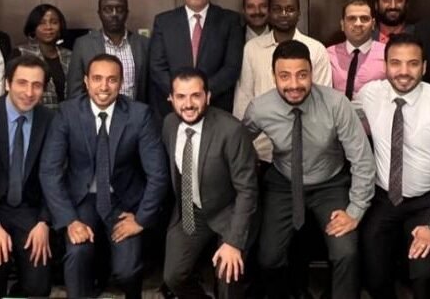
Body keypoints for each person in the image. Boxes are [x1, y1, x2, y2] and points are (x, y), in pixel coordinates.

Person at [243, 40, 375, 299]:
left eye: (302, 75)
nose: (294, 84)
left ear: (312, 73)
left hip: (330, 184)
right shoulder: (260, 108)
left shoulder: (336, 104)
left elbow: (362, 159)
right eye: (285, 76)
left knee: (346, 252)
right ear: (274, 76)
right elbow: (236, 144)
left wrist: (355, 210)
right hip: (283, 183)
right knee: (268, 257)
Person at [40, 53, 168, 299]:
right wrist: (69, 220)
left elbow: (158, 174)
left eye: (112, 79)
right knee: (77, 254)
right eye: (97, 78)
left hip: (123, 201)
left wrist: (141, 219)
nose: (104, 86)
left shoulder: (139, 114)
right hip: (82, 200)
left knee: (127, 270)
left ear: (121, 83)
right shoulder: (67, 112)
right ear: (86, 81)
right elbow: (49, 170)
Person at [162, 67, 258, 299]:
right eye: (181, 96)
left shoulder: (232, 131)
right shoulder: (169, 125)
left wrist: (233, 242)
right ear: (171, 99)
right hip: (191, 211)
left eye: (196, 95)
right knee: (173, 277)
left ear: (208, 96)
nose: (188, 104)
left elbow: (247, 191)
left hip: (229, 212)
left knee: (228, 280)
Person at [358, 33, 430, 299]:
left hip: (427, 202)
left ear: (424, 67)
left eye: (412, 63)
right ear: (385, 65)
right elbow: (341, 117)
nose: (403, 72)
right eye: (396, 63)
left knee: (424, 276)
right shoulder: (370, 94)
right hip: (384, 199)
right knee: (373, 274)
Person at [0, 55, 54, 298]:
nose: (29, 92)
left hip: (29, 211)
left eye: (37, 85)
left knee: (39, 287)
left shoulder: (50, 120)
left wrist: (44, 222)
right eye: (22, 83)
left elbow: (56, 176)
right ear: (7, 83)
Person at [234, 0, 332, 163]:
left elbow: (322, 100)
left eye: (290, 9)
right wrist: (243, 143)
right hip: (262, 147)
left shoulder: (316, 49)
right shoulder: (252, 48)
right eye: (277, 9)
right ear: (269, 13)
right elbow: (244, 96)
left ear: (299, 14)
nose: (284, 14)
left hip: (305, 147)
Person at [149, 0, 243, 123]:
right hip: (173, 112)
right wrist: (180, 96)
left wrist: (201, 95)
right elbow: (157, 67)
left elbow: (231, 67)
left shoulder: (230, 20)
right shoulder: (164, 22)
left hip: (216, 109)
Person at [67, 0, 149, 102]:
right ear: (99, 13)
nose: (114, 14)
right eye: (108, 9)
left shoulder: (144, 44)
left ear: (127, 13)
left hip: (135, 111)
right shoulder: (83, 45)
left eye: (120, 9)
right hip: (95, 112)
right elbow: (75, 91)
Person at [13, 4, 72, 109]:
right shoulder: (20, 54)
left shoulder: (70, 56)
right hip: (34, 115)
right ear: (33, 28)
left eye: (54, 22)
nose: (48, 27)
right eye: (42, 23)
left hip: (68, 116)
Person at [327, 0, 386, 100]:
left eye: (364, 19)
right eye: (351, 18)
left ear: (373, 24)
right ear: (342, 24)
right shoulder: (328, 54)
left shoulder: (387, 54)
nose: (358, 24)